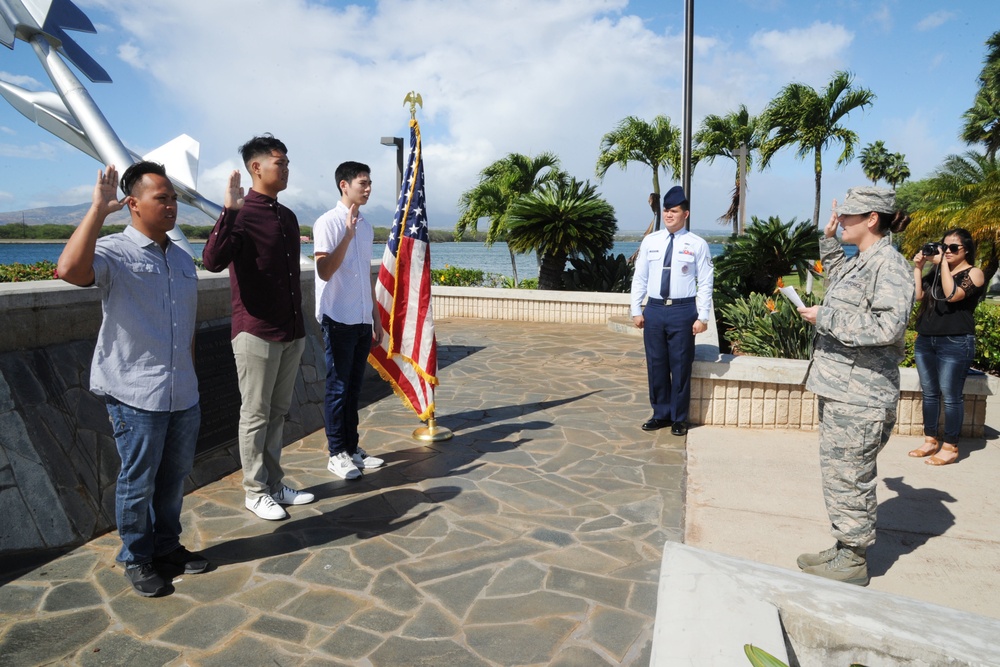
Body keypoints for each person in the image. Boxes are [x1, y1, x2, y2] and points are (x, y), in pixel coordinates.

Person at [57, 162, 209, 597]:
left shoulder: (181, 257)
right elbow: (68, 270)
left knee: (173, 477)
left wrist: (192, 377)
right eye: (162, 197)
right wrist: (96, 212)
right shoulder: (113, 252)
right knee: (138, 479)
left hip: (182, 391)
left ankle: (166, 547)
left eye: (174, 198)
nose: (171, 205)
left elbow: (188, 326)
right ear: (133, 203)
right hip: (135, 392)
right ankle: (137, 557)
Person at [796, 187, 914, 586]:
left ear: (872, 219)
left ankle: (854, 559)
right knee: (838, 472)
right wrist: (829, 237)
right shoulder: (861, 260)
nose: (840, 221)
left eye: (848, 217)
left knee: (852, 474)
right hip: (841, 389)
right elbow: (836, 272)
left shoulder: (890, 266)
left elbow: (888, 326)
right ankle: (846, 544)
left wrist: (825, 317)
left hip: (862, 395)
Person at [202, 134, 315, 520]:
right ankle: (254, 490)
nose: (285, 169)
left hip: (290, 330)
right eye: (279, 162)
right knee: (255, 413)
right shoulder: (242, 213)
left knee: (278, 411)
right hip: (255, 331)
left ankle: (273, 482)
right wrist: (228, 211)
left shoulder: (286, 216)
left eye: (286, 163)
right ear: (256, 167)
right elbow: (213, 260)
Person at [313, 161, 386, 480]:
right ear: (344, 185)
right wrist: (347, 233)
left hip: (359, 317)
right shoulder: (327, 222)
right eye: (362, 183)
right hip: (337, 315)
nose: (368, 189)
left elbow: (365, 274)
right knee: (338, 386)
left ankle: (352, 448)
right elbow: (324, 271)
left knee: (354, 387)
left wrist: (375, 317)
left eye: (369, 183)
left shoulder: (367, 226)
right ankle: (336, 453)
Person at [630, 185, 714, 437]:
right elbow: (640, 277)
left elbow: (706, 282)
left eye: (674, 211)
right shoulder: (650, 241)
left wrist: (703, 316)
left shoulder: (697, 244)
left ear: (685, 214)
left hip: (683, 309)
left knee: (680, 366)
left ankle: (679, 417)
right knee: (656, 364)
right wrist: (636, 308)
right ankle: (660, 414)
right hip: (654, 309)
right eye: (666, 210)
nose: (668, 215)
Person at [907, 228, 985, 465]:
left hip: (956, 341)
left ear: (967, 250)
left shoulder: (975, 273)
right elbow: (918, 295)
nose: (947, 251)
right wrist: (919, 268)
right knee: (929, 394)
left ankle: (950, 446)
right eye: (944, 246)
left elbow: (952, 295)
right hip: (926, 339)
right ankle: (930, 441)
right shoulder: (937, 271)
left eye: (953, 248)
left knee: (951, 396)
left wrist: (942, 264)